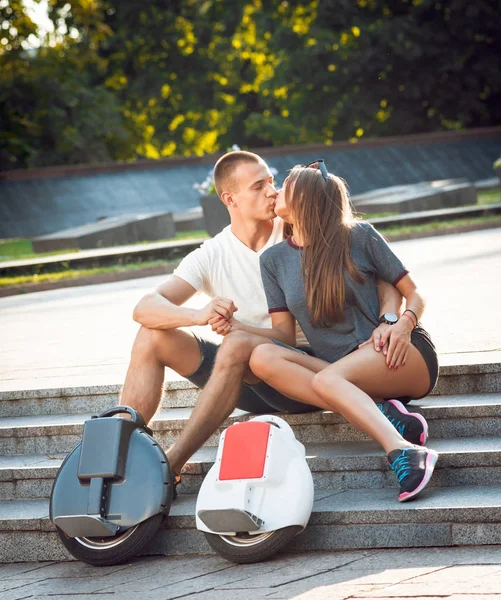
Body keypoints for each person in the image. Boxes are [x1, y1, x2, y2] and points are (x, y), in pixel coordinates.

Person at [120, 151, 409, 497]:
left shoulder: (297, 226)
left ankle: (170, 466)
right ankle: (120, 453)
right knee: (152, 336)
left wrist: (390, 319)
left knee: (240, 345)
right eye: (258, 186)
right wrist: (200, 315)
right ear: (231, 199)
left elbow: (377, 268)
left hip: (306, 371)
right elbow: (145, 307)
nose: (272, 191)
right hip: (248, 376)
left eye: (272, 182)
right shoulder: (212, 254)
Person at [244, 161, 439, 502]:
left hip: (396, 353)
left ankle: (403, 450)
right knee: (262, 357)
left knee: (326, 381)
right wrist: (234, 331)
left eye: (284, 184)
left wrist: (401, 324)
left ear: (304, 196)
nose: (274, 192)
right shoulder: (273, 261)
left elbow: (416, 294)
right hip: (339, 371)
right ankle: (383, 412)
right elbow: (284, 337)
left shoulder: (358, 235)